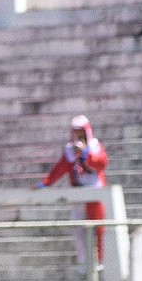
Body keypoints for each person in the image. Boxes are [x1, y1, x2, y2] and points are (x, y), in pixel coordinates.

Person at [36, 115, 110, 269]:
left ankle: (101, 260)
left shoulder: (95, 146)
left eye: (81, 132)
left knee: (99, 228)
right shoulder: (69, 151)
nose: (78, 136)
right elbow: (59, 169)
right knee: (79, 229)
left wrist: (85, 154)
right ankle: (83, 262)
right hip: (78, 194)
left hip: (95, 194)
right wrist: (45, 183)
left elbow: (101, 163)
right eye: (75, 133)